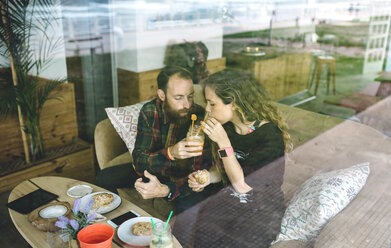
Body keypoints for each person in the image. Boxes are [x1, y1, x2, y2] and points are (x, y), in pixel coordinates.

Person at [185, 69, 291, 247]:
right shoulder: (227, 128)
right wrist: (207, 177)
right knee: (200, 238)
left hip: (261, 210)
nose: (207, 110)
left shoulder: (269, 135)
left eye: (212, 104)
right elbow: (223, 169)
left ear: (233, 103)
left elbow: (243, 186)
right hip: (229, 202)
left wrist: (224, 144)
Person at [132, 66, 219, 213]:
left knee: (187, 208)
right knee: (106, 177)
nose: (187, 105)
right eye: (178, 98)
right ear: (162, 95)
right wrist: (171, 153)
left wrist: (167, 190)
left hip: (182, 175)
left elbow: (197, 172)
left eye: (190, 96)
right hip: (157, 167)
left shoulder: (199, 115)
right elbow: (139, 160)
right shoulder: (150, 111)